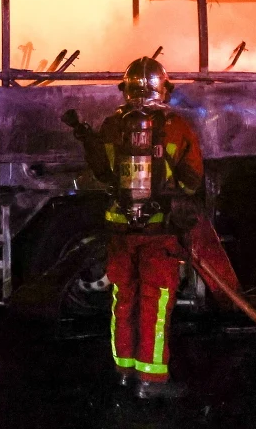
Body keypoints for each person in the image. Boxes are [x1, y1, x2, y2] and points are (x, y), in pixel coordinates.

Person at [64, 57, 204, 400]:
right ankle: (151, 382)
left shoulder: (112, 125)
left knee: (122, 299)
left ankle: (124, 372)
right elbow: (194, 179)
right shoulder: (176, 127)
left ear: (125, 90)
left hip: (119, 232)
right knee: (155, 304)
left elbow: (100, 173)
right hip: (158, 234)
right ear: (164, 89)